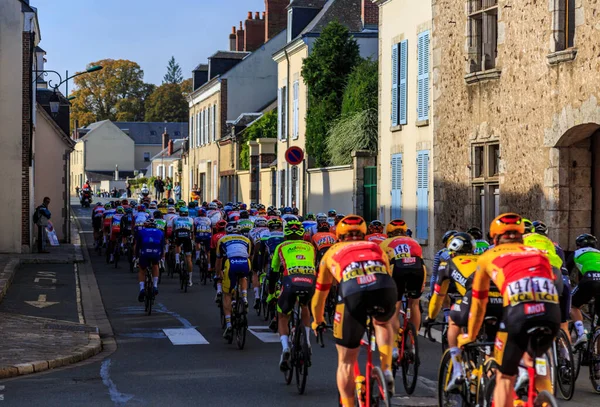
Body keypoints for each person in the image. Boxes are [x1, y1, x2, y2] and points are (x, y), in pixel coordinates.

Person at [458, 213, 562, 407]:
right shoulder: (538, 253)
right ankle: (545, 400)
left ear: (495, 237)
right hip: (550, 312)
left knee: (505, 377)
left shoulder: (487, 257)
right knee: (537, 364)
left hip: (519, 313)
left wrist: (470, 335)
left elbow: (479, 303)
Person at [312, 215, 398, 404]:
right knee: (382, 323)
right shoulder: (376, 248)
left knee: (346, 360)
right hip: (384, 287)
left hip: (353, 292)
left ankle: (350, 402)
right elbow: (387, 273)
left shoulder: (330, 253)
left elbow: (320, 296)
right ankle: (386, 369)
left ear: (339, 235)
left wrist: (318, 320)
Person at [426, 232, 502, 390]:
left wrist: (431, 318)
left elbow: (438, 296)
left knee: (454, 319)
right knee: (490, 346)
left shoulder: (448, 263)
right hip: (500, 300)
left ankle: (458, 370)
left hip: (475, 297)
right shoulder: (483, 259)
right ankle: (490, 383)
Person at [268, 220, 316, 371]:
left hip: (290, 280)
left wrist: (270, 292)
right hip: (310, 279)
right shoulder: (310, 247)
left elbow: (274, 272)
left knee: (282, 314)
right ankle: (307, 341)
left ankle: (285, 348)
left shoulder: (281, 247)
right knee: (304, 305)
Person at [380, 219, 426, 345]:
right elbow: (422, 264)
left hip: (398, 270)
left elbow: (381, 265)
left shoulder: (385, 243)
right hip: (417, 270)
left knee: (396, 305)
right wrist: (423, 283)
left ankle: (395, 340)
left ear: (388, 232)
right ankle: (413, 339)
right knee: (414, 304)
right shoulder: (414, 242)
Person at [215, 221, 252, 341]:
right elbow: (248, 255)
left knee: (227, 294)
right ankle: (245, 298)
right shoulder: (246, 239)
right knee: (243, 277)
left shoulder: (223, 239)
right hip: (245, 262)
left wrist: (218, 274)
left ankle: (229, 324)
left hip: (231, 263)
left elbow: (219, 260)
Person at [568, 233, 600, 347]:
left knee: (572, 304)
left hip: (589, 280)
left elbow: (565, 272)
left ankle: (581, 334)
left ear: (578, 245)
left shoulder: (576, 253)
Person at [136, 219, 165, 302]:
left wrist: (136, 257)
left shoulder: (142, 231)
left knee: (142, 270)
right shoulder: (160, 232)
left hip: (145, 253)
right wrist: (161, 257)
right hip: (156, 253)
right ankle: (155, 286)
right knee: (155, 265)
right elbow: (162, 246)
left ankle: (142, 289)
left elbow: (138, 246)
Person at [173, 206, 194, 287]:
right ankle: (190, 280)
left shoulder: (175, 219)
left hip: (178, 236)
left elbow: (173, 230)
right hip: (187, 237)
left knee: (177, 245)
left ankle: (177, 261)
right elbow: (192, 231)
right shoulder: (191, 219)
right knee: (189, 259)